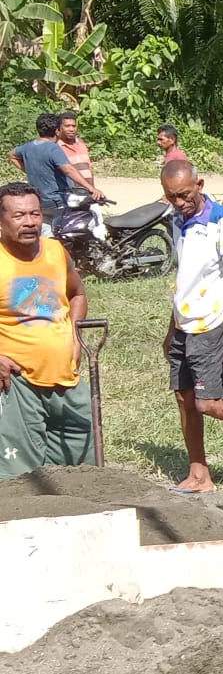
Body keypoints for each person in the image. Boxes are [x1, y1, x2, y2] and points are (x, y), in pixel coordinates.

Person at [161, 158, 223, 495]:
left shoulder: (221, 220)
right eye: (172, 197)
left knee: (208, 403)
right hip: (184, 324)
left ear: (199, 185)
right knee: (184, 398)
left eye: (185, 195)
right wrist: (172, 329)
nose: (180, 203)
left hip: (213, 324)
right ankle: (199, 475)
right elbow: (184, 279)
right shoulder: (176, 221)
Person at [0, 182, 91, 478]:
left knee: (83, 466)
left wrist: (76, 335)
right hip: (18, 383)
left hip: (67, 377)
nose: (29, 222)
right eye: (18, 215)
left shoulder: (55, 251)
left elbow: (77, 293)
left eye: (35, 214)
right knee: (22, 478)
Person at [10, 112, 104, 221]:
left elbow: (11, 155)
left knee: (46, 232)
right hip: (58, 201)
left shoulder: (28, 147)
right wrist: (91, 188)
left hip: (40, 201)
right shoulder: (53, 148)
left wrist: (30, 171)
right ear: (57, 131)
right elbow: (68, 170)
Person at [55, 114, 94, 189]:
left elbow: (89, 169)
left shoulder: (81, 144)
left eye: (74, 126)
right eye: (67, 126)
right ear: (59, 128)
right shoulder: (56, 147)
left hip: (88, 190)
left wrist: (93, 188)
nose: (71, 129)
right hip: (70, 192)